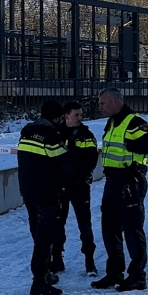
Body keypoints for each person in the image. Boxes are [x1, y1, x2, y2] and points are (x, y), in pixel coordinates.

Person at [91, 88, 148, 292]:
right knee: (109, 229)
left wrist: (131, 146)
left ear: (115, 101)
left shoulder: (133, 122)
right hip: (113, 181)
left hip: (130, 181)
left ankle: (137, 276)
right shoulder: (113, 121)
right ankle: (114, 273)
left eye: (103, 103)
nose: (100, 107)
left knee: (132, 229)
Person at [17, 99, 70, 295]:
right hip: (46, 192)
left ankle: (44, 274)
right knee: (45, 237)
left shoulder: (27, 132)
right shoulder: (51, 135)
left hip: (28, 190)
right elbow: (64, 162)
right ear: (57, 117)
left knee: (37, 233)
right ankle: (39, 280)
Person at [50, 101, 100, 276]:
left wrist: (77, 175)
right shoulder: (55, 134)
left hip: (79, 186)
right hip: (59, 186)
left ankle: (89, 261)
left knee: (84, 224)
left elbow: (91, 160)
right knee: (57, 224)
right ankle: (57, 259)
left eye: (81, 114)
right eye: (76, 115)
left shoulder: (86, 135)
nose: (80, 118)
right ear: (66, 116)